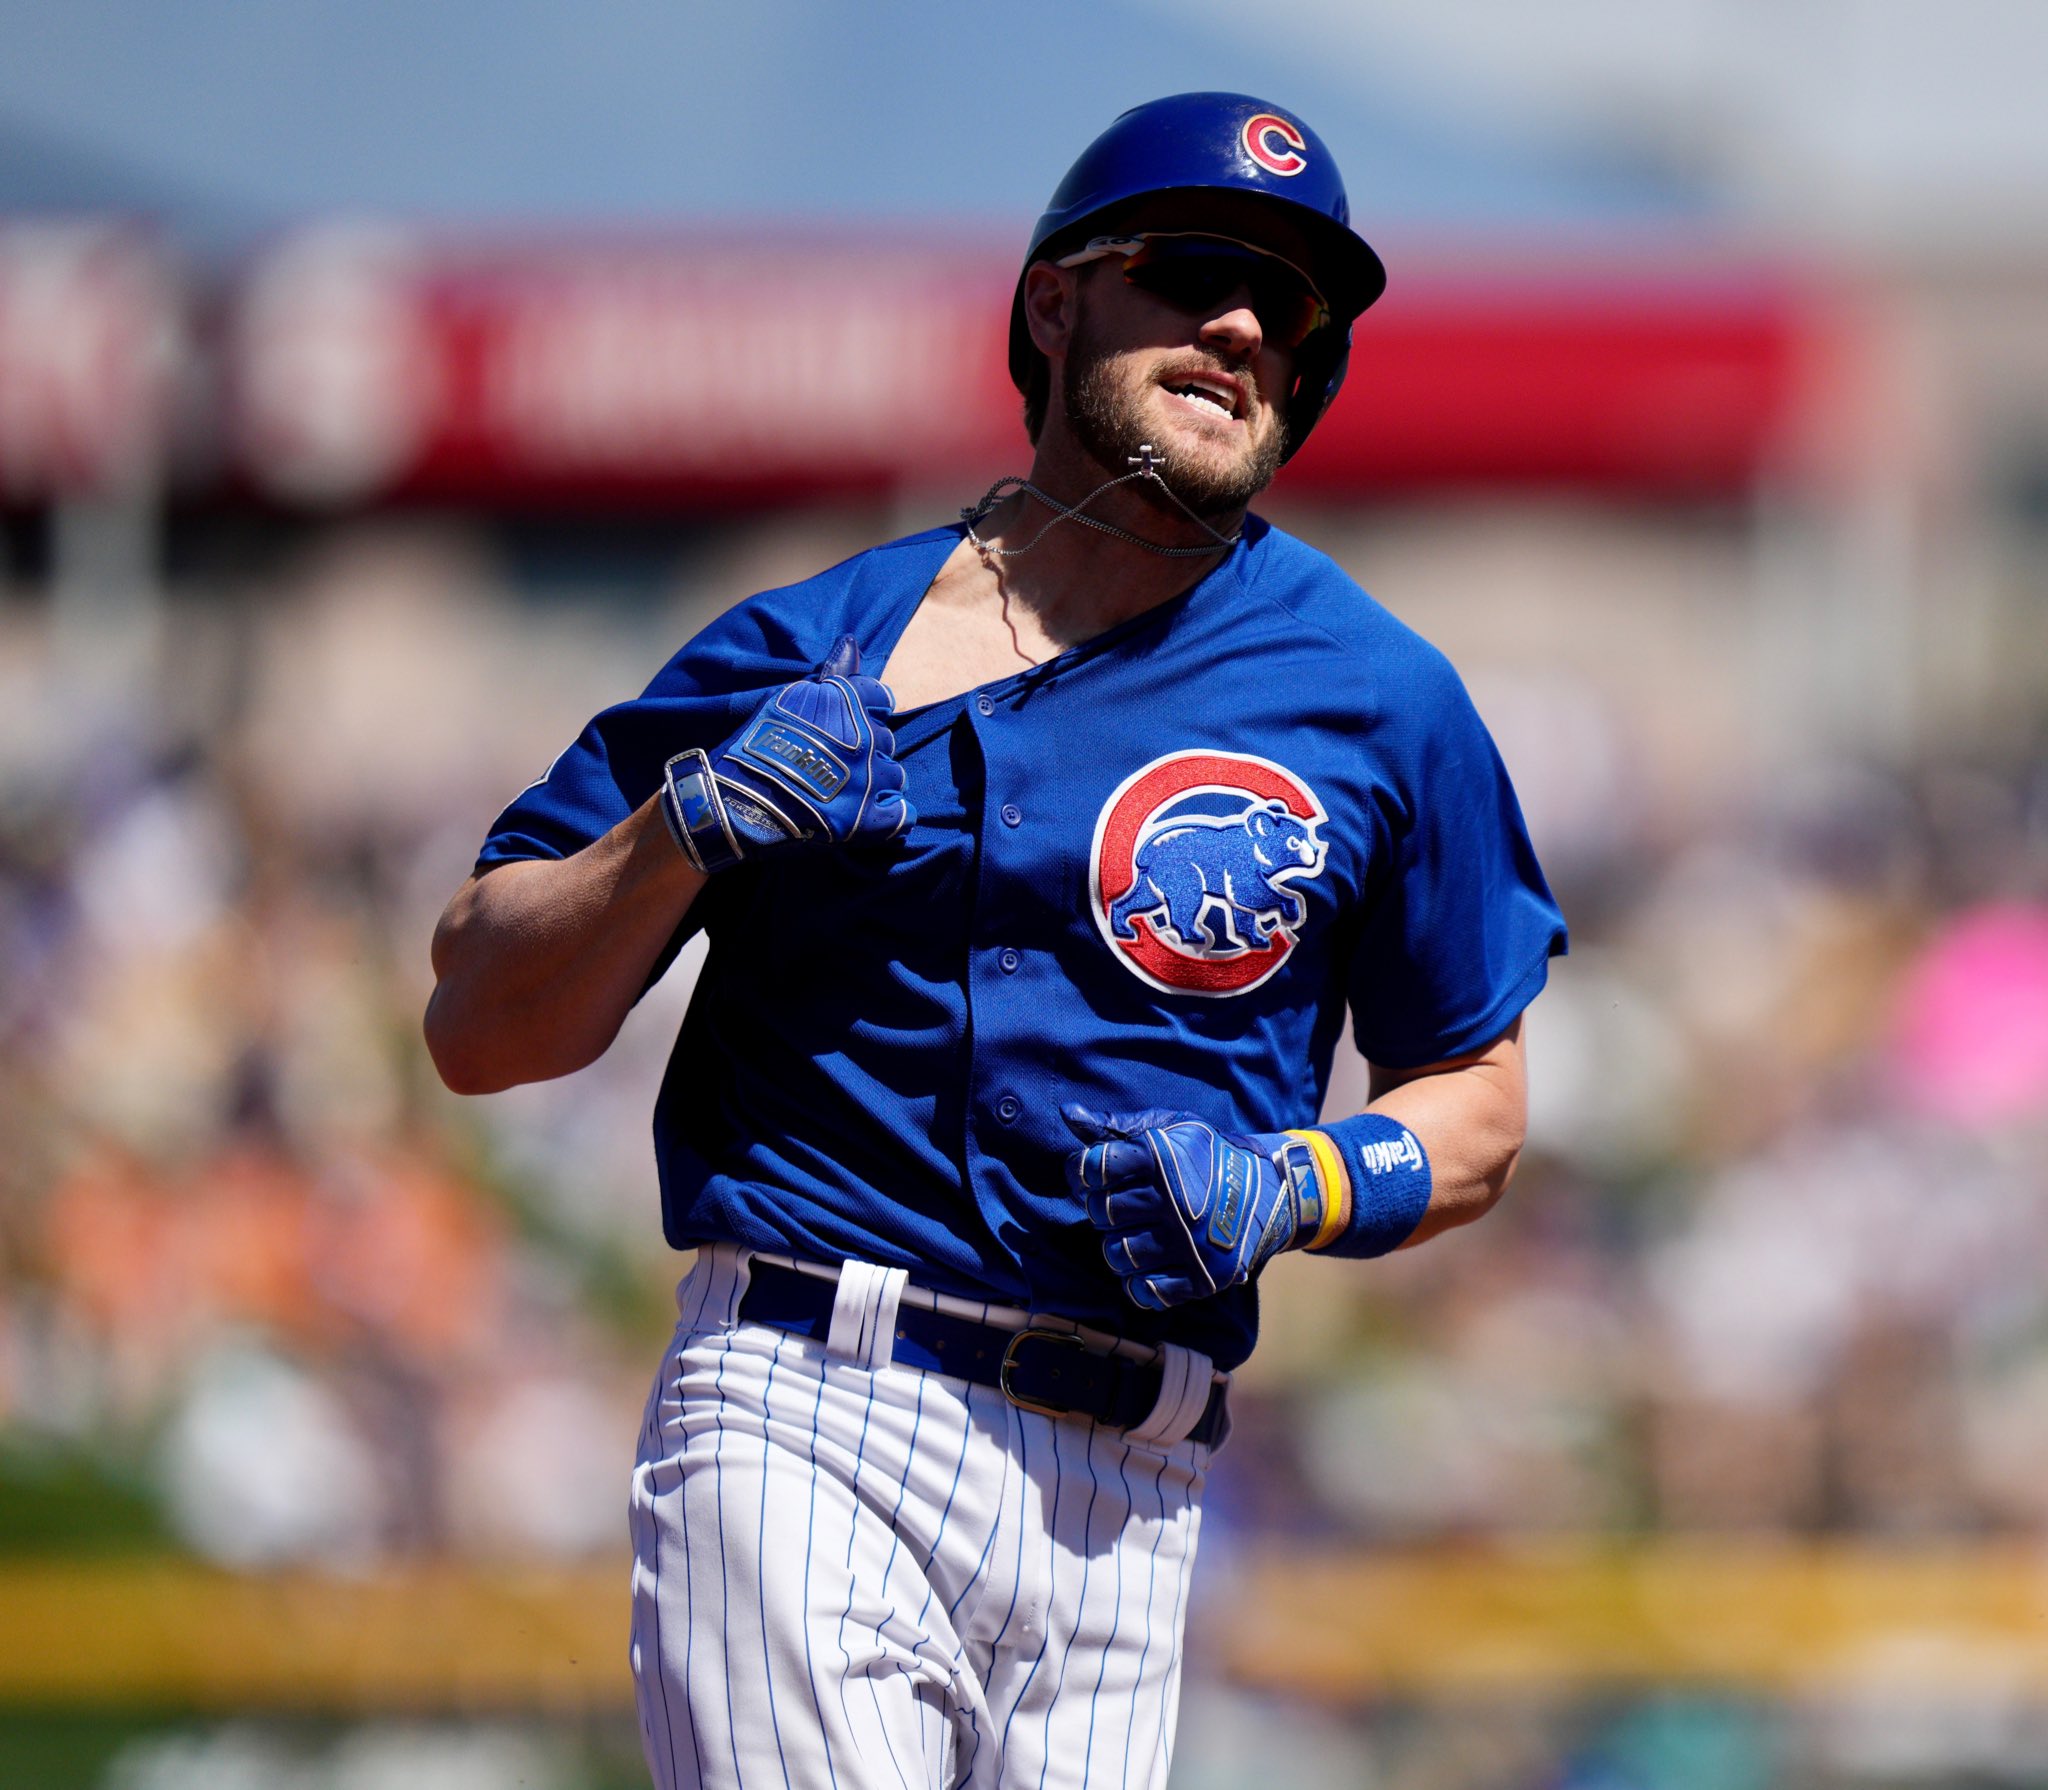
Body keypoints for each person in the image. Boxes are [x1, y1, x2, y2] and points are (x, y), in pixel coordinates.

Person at [426, 90, 1566, 1790]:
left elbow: (1474, 1090)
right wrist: (680, 829)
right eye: (1192, 271)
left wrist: (1303, 1184)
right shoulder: (821, 642)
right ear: (1055, 305)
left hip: (1138, 1489)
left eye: (1293, 306)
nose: (1243, 325)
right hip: (812, 1404)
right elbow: (479, 1015)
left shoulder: (1380, 696)